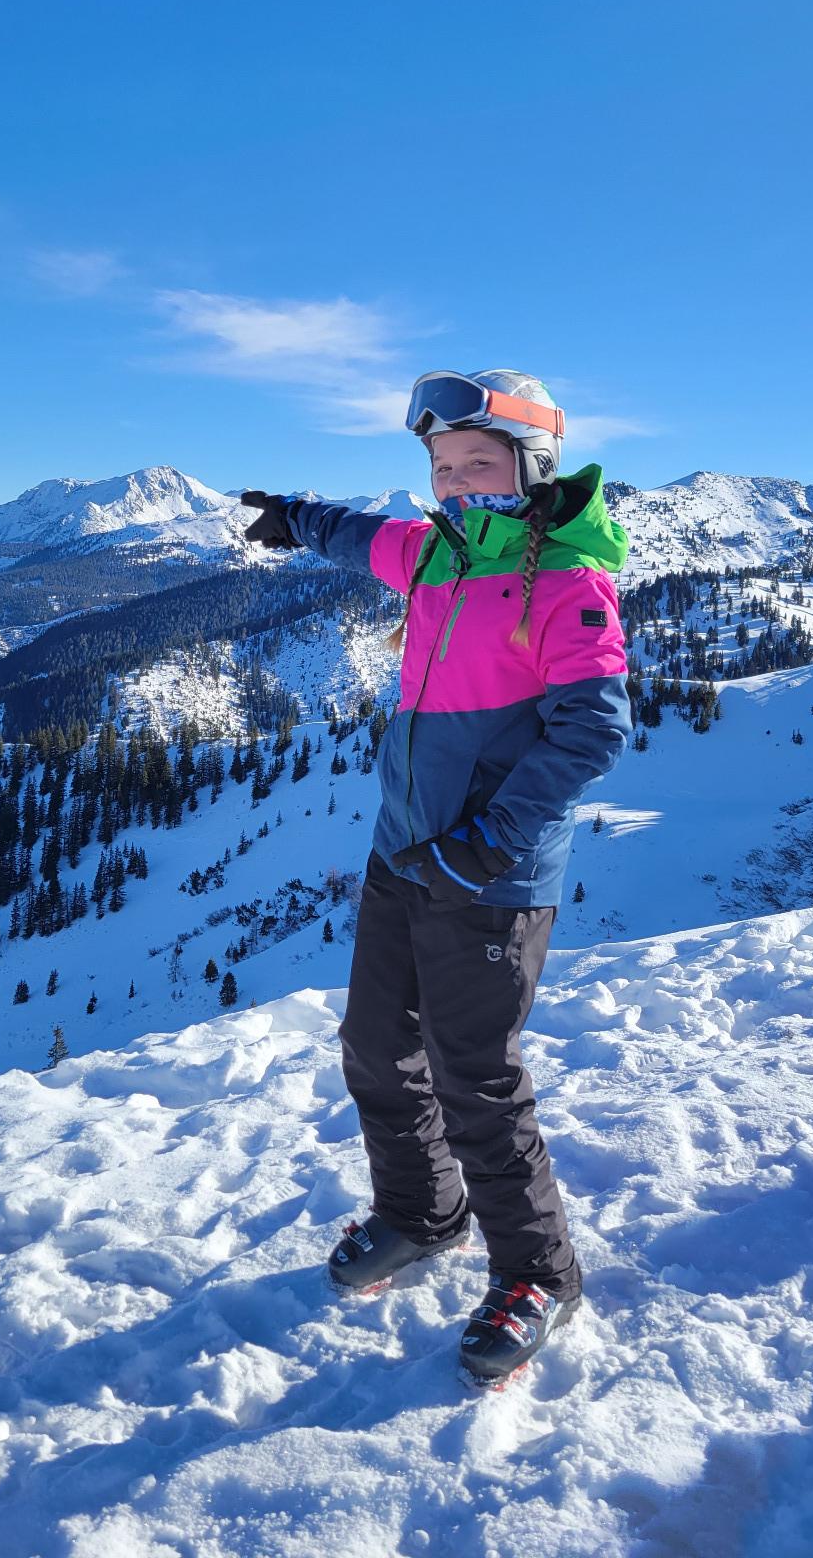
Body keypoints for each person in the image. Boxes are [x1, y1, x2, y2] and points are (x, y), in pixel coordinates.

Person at [240, 367, 632, 1386]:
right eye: (442, 466)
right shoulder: (432, 554)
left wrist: (492, 839)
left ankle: (539, 1274)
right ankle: (422, 1213)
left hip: (491, 875)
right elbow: (356, 535)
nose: (456, 482)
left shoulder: (568, 582)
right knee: (376, 1047)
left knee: (476, 1080)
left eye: (478, 463)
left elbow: (594, 730)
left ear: (531, 466)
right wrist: (294, 516)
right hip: (404, 852)